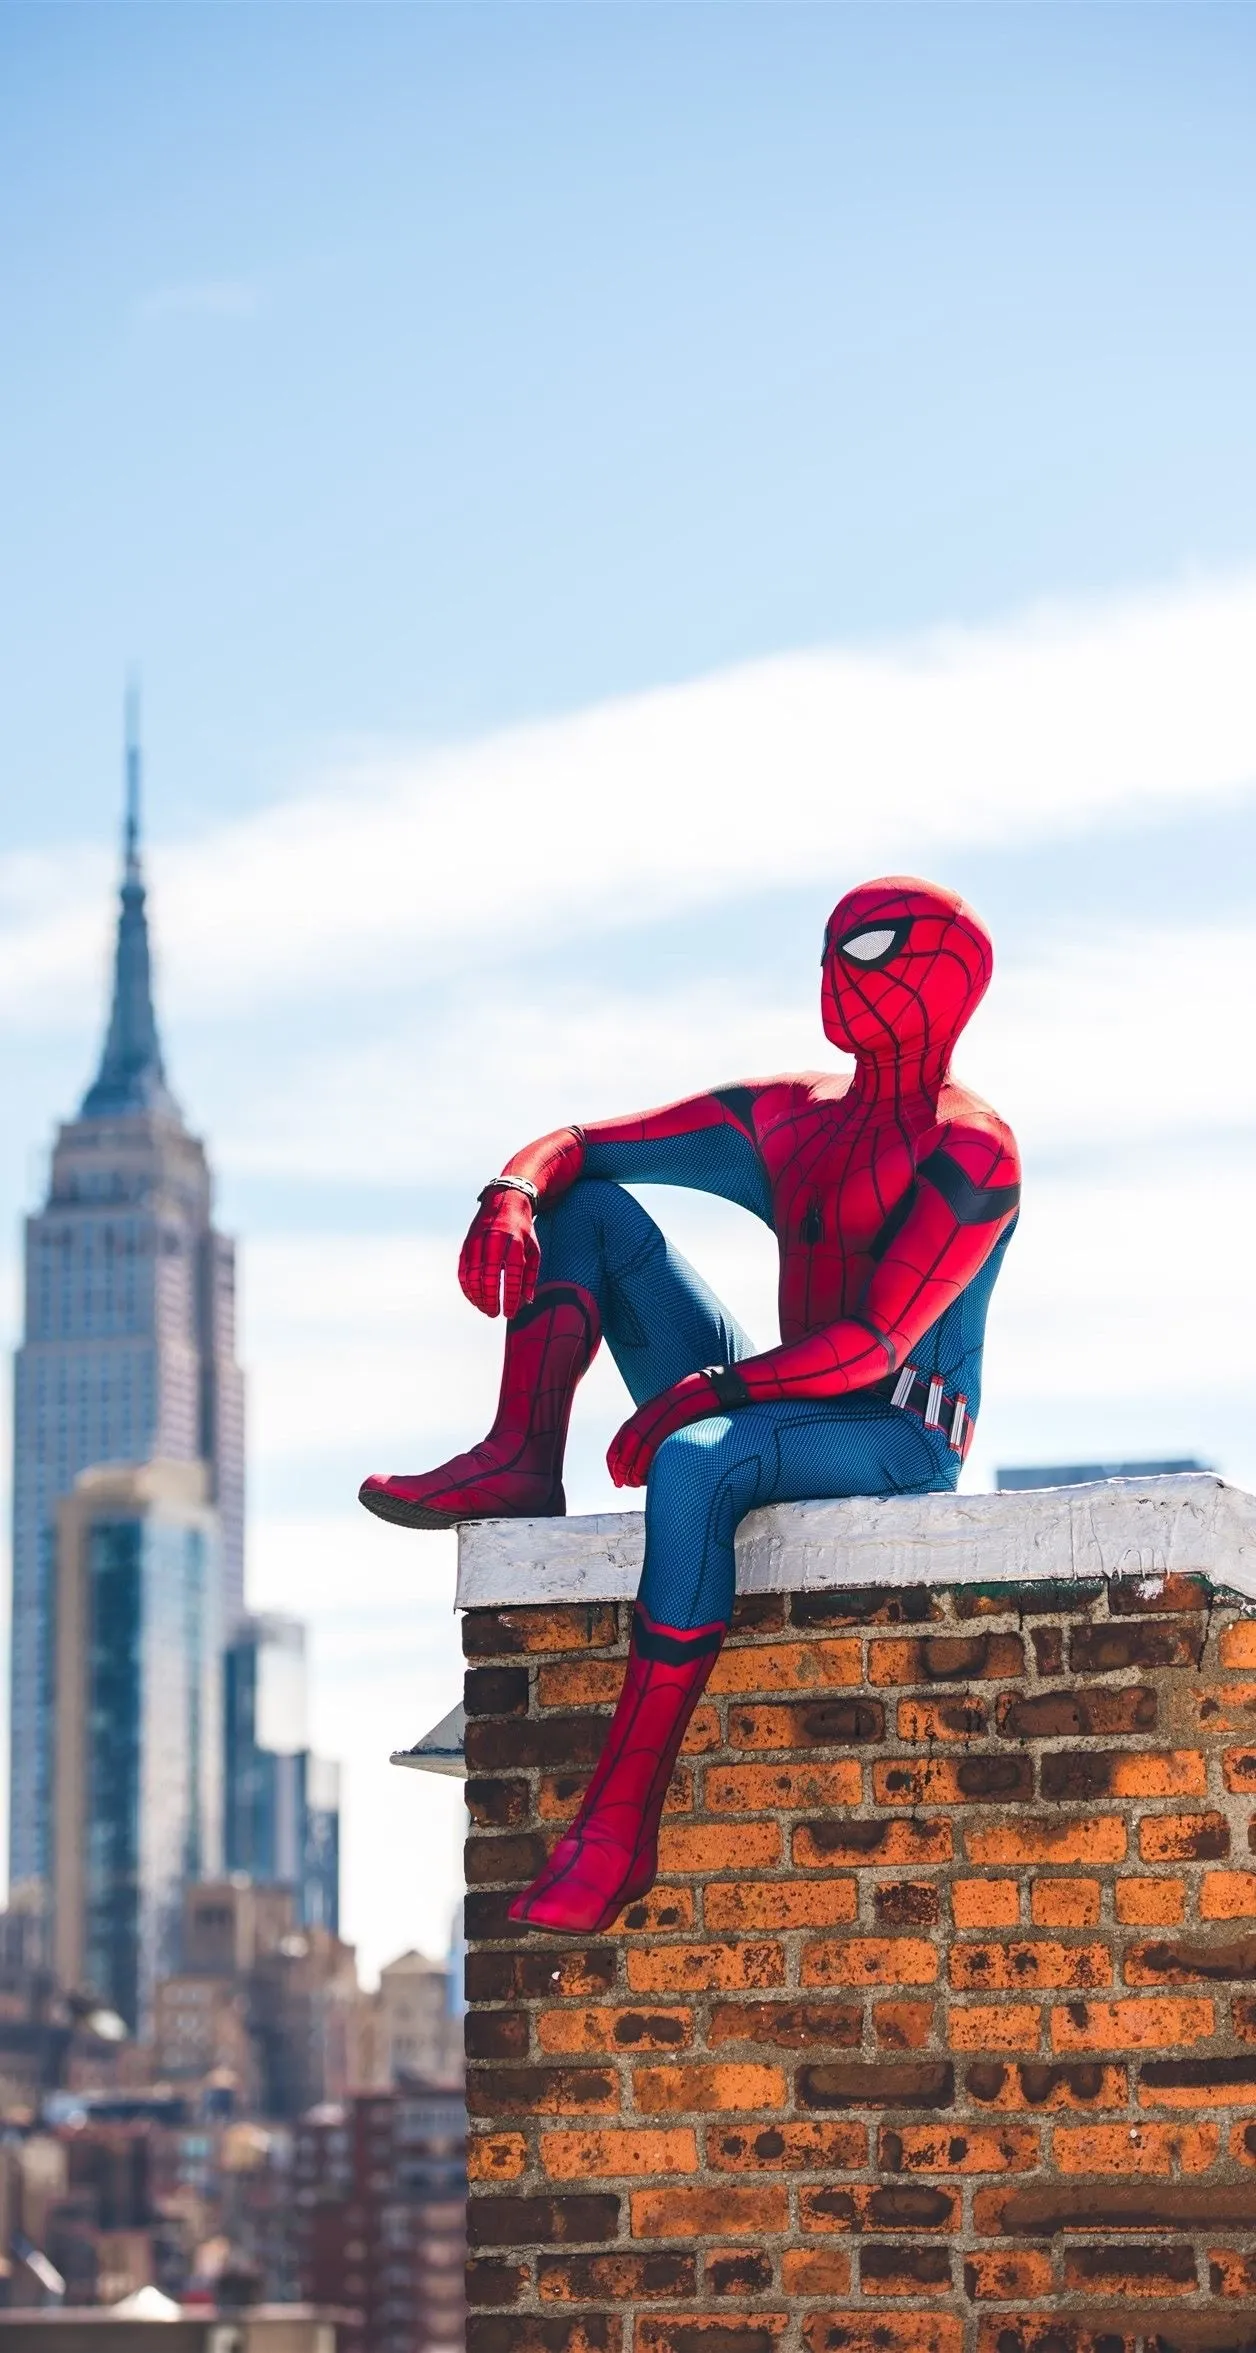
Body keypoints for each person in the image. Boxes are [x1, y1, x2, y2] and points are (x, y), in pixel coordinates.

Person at [360, 877, 1020, 1934]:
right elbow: (582, 1142)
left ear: (952, 977)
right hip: (789, 1395)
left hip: (896, 1430)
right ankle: (519, 1453)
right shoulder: (791, 1116)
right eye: (828, 948)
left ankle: (617, 1830)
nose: (836, 973)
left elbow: (871, 1346)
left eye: (873, 948)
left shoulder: (971, 1148)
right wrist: (512, 1192)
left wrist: (694, 1398)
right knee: (590, 1211)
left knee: (698, 1460)